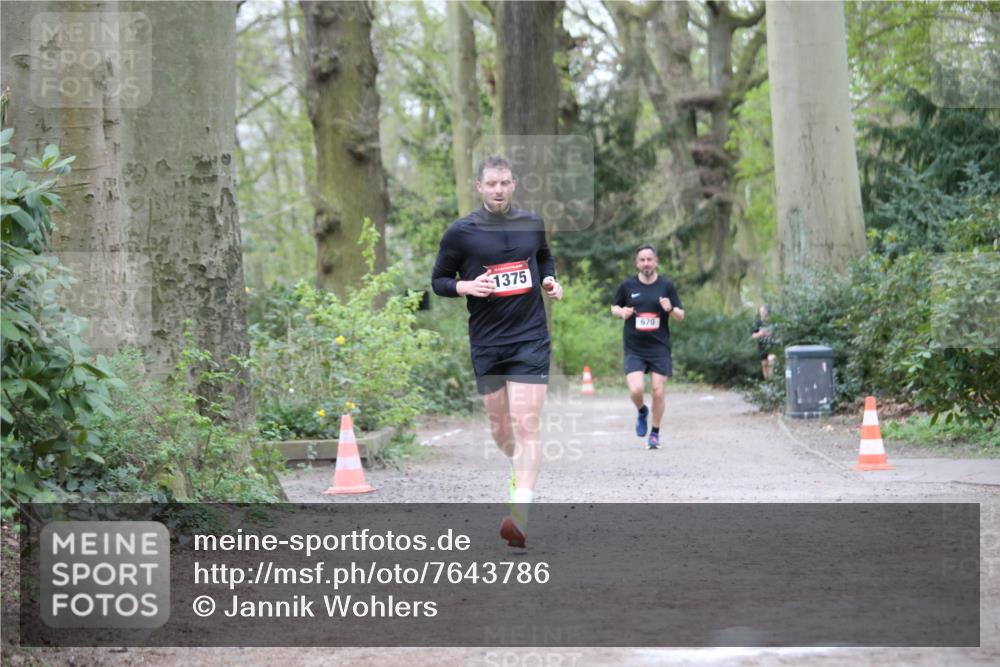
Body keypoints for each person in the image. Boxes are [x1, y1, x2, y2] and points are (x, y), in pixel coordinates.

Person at [431, 155, 563, 548]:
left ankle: (519, 512)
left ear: (514, 184)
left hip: (530, 338)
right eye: (492, 184)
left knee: (526, 424)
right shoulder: (460, 233)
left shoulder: (531, 223)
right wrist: (465, 287)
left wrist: (551, 280)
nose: (499, 190)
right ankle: (516, 467)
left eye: (505, 183)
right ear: (479, 187)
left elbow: (543, 257)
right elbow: (439, 280)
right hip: (487, 341)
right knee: (501, 428)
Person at [610, 245, 684, 450]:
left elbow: (681, 315)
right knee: (636, 389)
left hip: (659, 347)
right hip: (634, 347)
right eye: (642, 260)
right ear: (637, 263)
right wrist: (621, 312)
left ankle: (655, 433)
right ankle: (642, 410)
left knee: (658, 392)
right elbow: (614, 307)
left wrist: (670, 309)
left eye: (649, 259)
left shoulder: (666, 286)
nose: (646, 264)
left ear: (656, 261)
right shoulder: (628, 286)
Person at [751, 304, 776, 379]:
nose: (762, 313)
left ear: (767, 312)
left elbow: (777, 333)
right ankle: (767, 383)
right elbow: (753, 336)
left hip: (771, 346)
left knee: (771, 364)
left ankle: (772, 382)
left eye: (764, 311)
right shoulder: (757, 323)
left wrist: (771, 333)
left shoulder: (772, 322)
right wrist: (760, 333)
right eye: (761, 311)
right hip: (762, 347)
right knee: (764, 365)